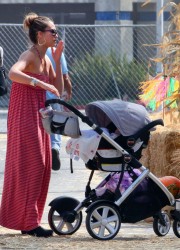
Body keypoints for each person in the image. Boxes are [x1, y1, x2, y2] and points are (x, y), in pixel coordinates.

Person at [0, 12, 64, 237]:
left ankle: (29, 220)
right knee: (33, 165)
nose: (56, 34)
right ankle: (28, 223)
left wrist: (56, 60)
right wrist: (38, 83)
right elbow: (13, 73)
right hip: (23, 116)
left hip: (38, 117)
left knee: (44, 166)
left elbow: (59, 88)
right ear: (40, 35)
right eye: (52, 31)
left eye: (56, 31)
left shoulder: (46, 58)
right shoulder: (29, 55)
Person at [46, 48, 72, 170]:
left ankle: (42, 152)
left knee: (42, 125)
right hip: (54, 95)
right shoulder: (55, 52)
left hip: (38, 96)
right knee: (56, 123)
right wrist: (69, 90)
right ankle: (54, 147)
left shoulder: (33, 52)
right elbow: (64, 76)